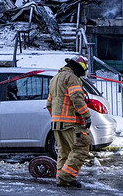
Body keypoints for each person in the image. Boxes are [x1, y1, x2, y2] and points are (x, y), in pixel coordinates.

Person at [46, 55, 92, 189]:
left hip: (57, 123)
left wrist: (57, 117)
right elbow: (77, 98)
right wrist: (86, 116)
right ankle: (65, 177)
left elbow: (49, 103)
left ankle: (62, 180)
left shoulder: (55, 78)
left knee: (63, 152)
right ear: (79, 68)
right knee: (81, 147)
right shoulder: (71, 78)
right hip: (71, 123)